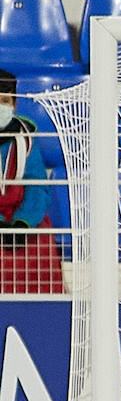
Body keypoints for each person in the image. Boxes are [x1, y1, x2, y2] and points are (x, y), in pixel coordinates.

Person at [0, 69, 60, 295]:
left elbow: (37, 187)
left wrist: (22, 223)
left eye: (5, 101)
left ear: (14, 105)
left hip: (22, 217)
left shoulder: (26, 138)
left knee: (41, 242)